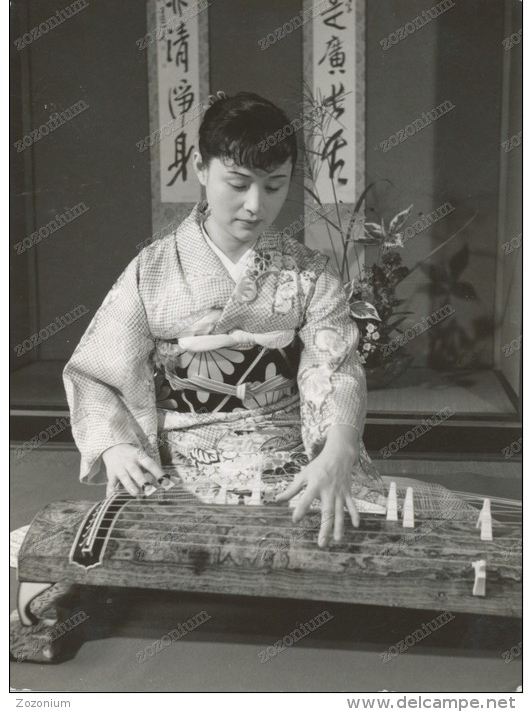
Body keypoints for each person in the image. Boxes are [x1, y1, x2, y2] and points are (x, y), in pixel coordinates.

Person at [63, 91, 386, 549]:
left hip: (289, 444)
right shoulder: (152, 270)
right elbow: (96, 372)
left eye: (274, 186)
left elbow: (333, 368)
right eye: (238, 183)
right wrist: (114, 447)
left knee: (348, 541)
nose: (256, 205)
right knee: (141, 550)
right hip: (183, 450)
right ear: (200, 167)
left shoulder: (310, 272)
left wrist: (337, 450)